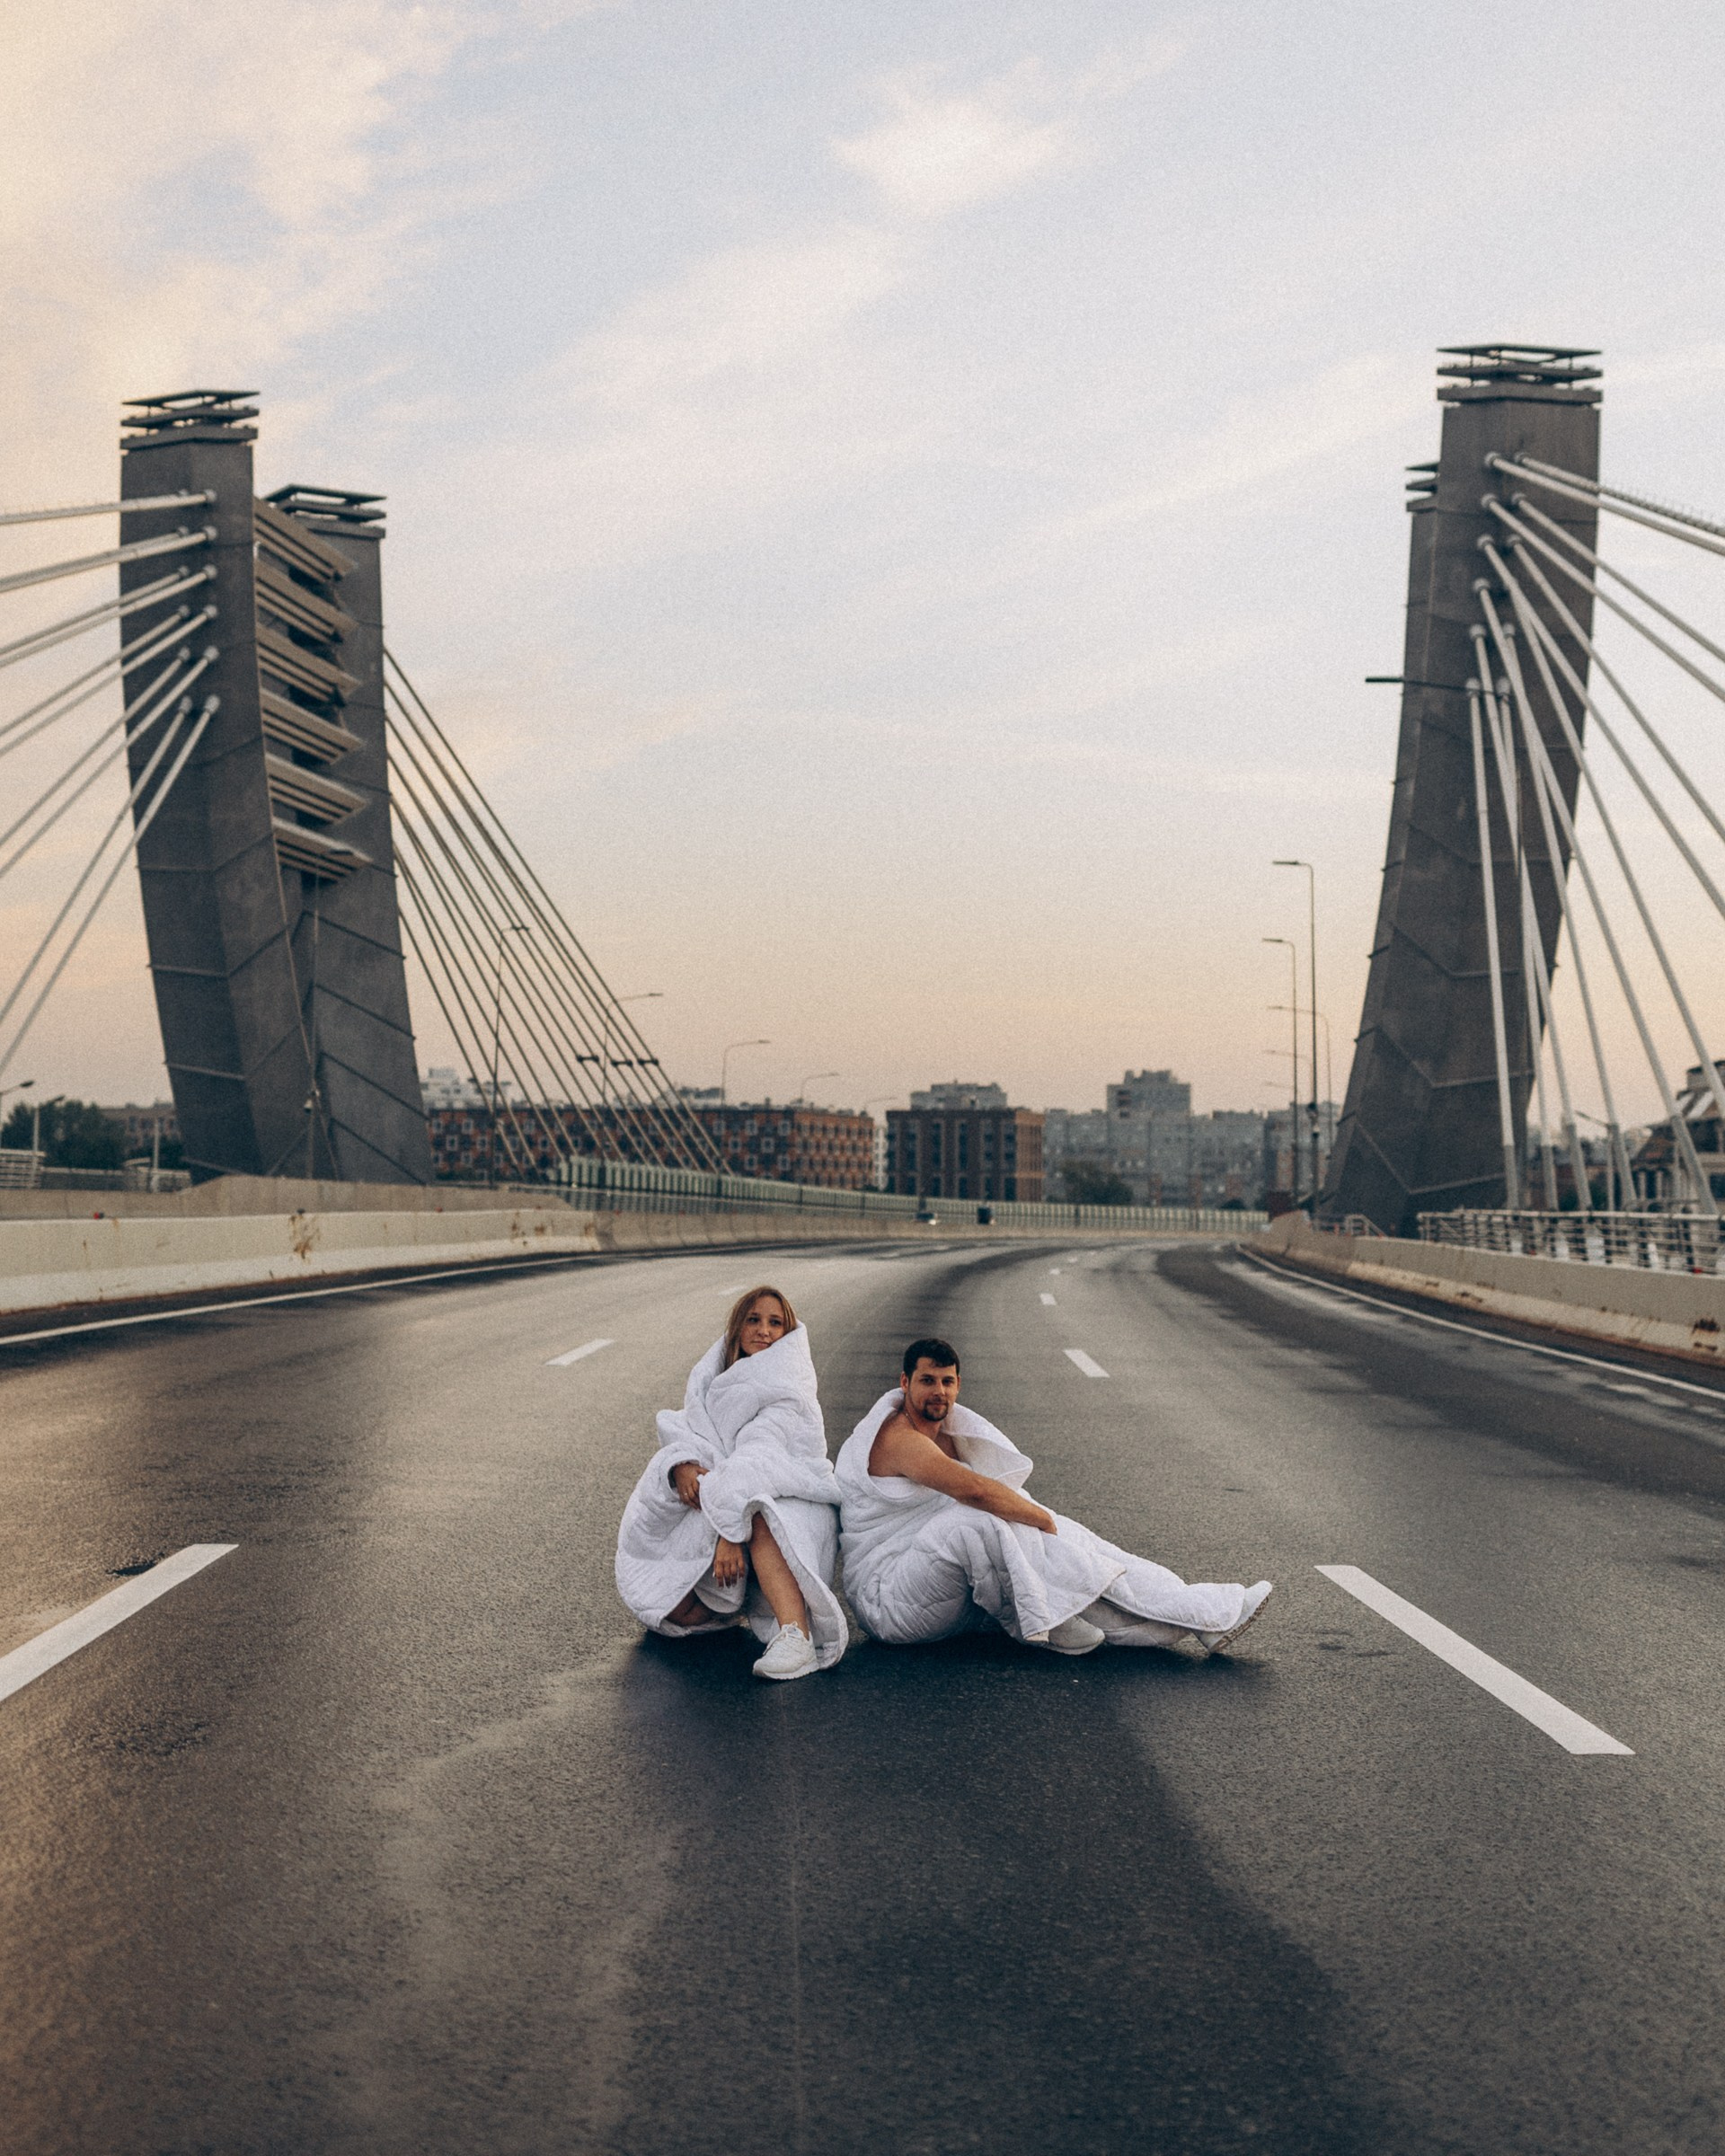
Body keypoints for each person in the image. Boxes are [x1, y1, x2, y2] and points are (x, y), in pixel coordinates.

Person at [836, 1337, 1271, 1657]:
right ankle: (1044, 1619)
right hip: (888, 1599)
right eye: (927, 1381)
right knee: (983, 1521)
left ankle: (1207, 1615)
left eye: (947, 1382)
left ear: (959, 1385)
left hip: (930, 1587)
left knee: (1079, 1548)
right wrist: (1039, 1520)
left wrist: (1043, 1521)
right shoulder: (900, 1439)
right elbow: (976, 1491)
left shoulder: (944, 1434)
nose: (939, 1392)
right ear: (905, 1382)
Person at [615, 1286, 845, 1680]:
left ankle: (797, 1636)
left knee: (757, 1511)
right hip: (737, 1490)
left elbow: (759, 1459)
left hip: (794, 1497)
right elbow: (689, 1427)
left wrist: (730, 1533)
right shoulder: (718, 1378)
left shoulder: (789, 1389)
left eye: (776, 1323)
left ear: (787, 1332)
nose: (764, 1330)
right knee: (675, 1612)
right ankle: (733, 1601)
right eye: (754, 1320)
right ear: (737, 1327)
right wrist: (682, 1465)